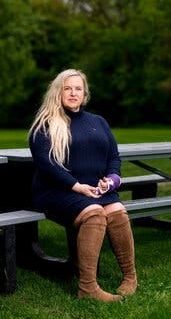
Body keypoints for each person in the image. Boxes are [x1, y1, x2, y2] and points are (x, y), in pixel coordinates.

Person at [28, 69, 137, 302]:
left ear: (85, 93)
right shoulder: (45, 125)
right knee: (95, 214)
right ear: (58, 92)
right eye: (67, 88)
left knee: (117, 213)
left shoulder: (98, 122)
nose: (73, 93)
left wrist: (111, 180)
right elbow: (47, 165)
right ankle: (88, 288)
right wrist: (76, 186)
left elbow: (114, 157)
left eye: (78, 88)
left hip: (94, 190)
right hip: (57, 192)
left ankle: (130, 277)